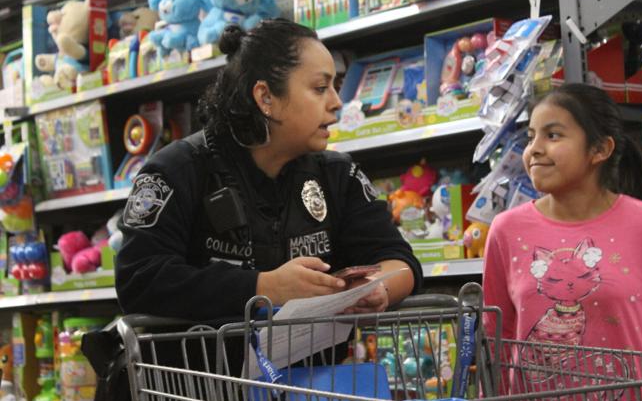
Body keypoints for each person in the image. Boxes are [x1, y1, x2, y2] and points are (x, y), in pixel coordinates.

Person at [115, 18, 422, 321]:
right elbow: (139, 280)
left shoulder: (339, 175)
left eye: (335, 86)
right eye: (319, 87)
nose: (337, 102)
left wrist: (377, 288)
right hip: (207, 370)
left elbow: (400, 260)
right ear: (265, 97)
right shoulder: (177, 170)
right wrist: (264, 287)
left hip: (315, 370)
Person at [482, 83, 642, 401]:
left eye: (553, 135)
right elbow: (495, 341)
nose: (535, 149)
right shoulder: (506, 231)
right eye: (531, 136)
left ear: (600, 150)